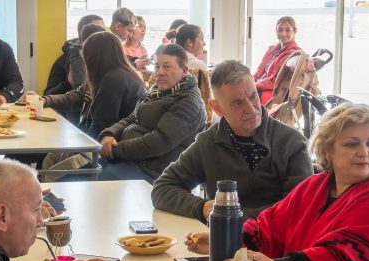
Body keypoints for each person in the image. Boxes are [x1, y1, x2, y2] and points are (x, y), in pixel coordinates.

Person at [187, 103, 369, 261]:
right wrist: (225, 241)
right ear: (328, 151)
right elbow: (269, 226)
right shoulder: (317, 185)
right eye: (352, 144)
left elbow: (342, 258)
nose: (364, 151)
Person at [152, 59, 312, 222]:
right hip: (222, 241)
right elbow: (162, 188)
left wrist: (230, 216)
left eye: (253, 96)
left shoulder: (292, 143)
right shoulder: (208, 143)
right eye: (237, 103)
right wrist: (203, 207)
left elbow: (299, 208)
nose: (251, 109)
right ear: (217, 108)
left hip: (276, 242)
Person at [98, 44, 205, 182]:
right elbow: (131, 118)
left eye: (167, 66)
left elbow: (158, 142)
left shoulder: (189, 102)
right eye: (156, 66)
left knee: (90, 183)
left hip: (155, 174)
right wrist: (109, 134)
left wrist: (114, 150)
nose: (159, 72)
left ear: (184, 70)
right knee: (80, 173)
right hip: (132, 162)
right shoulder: (158, 91)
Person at [42, 31, 146, 138]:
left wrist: (75, 147)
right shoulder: (115, 74)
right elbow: (77, 96)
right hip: (109, 140)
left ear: (92, 56)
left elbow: (101, 126)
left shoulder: (112, 80)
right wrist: (45, 100)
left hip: (111, 145)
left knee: (51, 152)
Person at [43, 14, 104, 96]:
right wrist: (67, 83)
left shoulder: (106, 59)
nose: (104, 35)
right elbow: (47, 94)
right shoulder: (64, 61)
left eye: (104, 31)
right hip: (72, 106)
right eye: (98, 31)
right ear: (83, 34)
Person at [253, 16, 301, 105]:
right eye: (280, 30)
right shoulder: (273, 49)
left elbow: (274, 82)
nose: (283, 33)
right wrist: (250, 80)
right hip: (259, 84)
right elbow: (259, 71)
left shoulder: (291, 54)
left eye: (288, 30)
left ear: (294, 31)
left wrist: (253, 84)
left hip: (269, 91)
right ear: (276, 31)